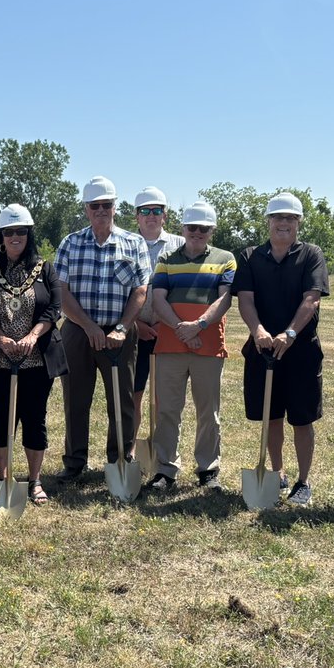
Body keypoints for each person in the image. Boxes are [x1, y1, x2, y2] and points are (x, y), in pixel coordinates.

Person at [230, 192, 329, 507]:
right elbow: (245, 299)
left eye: (290, 218)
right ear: (268, 221)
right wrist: (257, 330)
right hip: (263, 350)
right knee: (270, 416)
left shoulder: (311, 254)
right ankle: (278, 472)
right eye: (278, 217)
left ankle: (303, 481)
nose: (283, 223)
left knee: (301, 419)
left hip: (301, 351)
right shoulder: (250, 256)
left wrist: (290, 333)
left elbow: (311, 299)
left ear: (298, 222)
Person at [0, 204, 67, 505]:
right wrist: (2, 339)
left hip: (37, 358)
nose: (15, 237)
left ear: (29, 234)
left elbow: (54, 308)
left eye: (21, 231)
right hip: (1, 358)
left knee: (35, 417)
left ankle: (35, 480)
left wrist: (32, 336)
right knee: (3, 416)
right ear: (1, 235)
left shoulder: (45, 269)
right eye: (9, 232)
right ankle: (3, 477)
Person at [54, 177, 150, 483]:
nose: (100, 210)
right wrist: (88, 325)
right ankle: (74, 462)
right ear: (86, 209)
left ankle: (119, 458)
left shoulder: (133, 243)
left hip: (119, 332)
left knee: (122, 401)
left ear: (115, 207)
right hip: (77, 330)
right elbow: (61, 290)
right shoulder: (71, 243)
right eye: (94, 205)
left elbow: (140, 291)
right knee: (75, 398)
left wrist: (121, 328)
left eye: (106, 204)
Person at [150, 201, 235, 491]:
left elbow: (224, 299)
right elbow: (158, 299)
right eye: (192, 227)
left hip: (208, 346)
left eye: (204, 228)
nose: (197, 232)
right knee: (167, 411)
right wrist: (182, 329)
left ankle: (208, 469)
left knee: (208, 412)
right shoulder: (166, 259)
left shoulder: (225, 258)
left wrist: (198, 326)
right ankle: (165, 470)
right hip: (170, 346)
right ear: (183, 228)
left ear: (212, 231)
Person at [130, 187, 185, 455]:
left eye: (156, 210)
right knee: (134, 394)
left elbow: (184, 288)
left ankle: (162, 452)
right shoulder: (125, 243)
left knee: (164, 397)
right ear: (137, 216)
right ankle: (130, 450)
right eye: (145, 211)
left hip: (169, 332)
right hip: (135, 331)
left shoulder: (179, 245)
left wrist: (168, 323)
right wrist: (134, 324)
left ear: (165, 215)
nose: (151, 215)